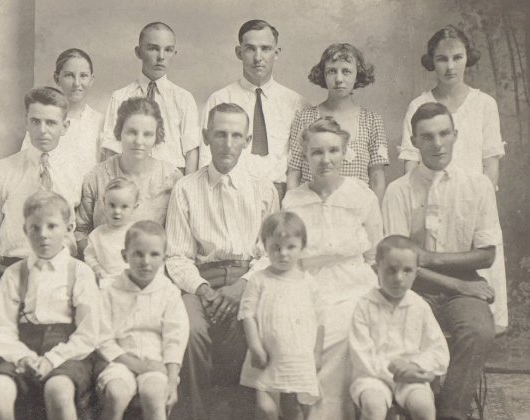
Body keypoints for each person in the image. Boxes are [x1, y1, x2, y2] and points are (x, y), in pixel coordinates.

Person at [382, 102, 499, 420]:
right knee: (402, 328)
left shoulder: (477, 184)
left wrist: (427, 258)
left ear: (455, 135)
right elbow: (398, 264)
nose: (437, 143)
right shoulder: (399, 191)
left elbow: (485, 254)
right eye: (427, 136)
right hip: (412, 287)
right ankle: (407, 415)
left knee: (477, 329)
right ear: (414, 142)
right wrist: (450, 277)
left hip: (464, 289)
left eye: (444, 133)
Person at [166, 103, 279, 420]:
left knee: (245, 333)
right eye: (220, 134)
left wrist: (243, 285)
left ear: (247, 140)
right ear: (206, 137)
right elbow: (177, 255)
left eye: (236, 135)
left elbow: (270, 251)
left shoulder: (262, 190)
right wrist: (201, 289)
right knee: (192, 331)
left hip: (249, 278)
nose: (227, 143)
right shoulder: (186, 188)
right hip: (201, 280)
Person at [0, 191, 100, 420]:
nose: (43, 235)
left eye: (52, 227)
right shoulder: (14, 274)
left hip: (68, 351)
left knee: (58, 388)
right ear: (25, 230)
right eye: (35, 228)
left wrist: (52, 359)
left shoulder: (80, 273)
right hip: (24, 348)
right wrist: (22, 357)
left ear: (69, 229)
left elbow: (88, 332)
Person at [399, 25, 507, 329]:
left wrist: (479, 202)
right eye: (442, 59)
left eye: (457, 58)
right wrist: (418, 207)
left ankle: (478, 325)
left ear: (467, 59)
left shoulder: (484, 104)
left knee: (476, 272)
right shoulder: (418, 105)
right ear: (432, 61)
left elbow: (491, 161)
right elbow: (410, 163)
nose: (450, 66)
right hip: (427, 200)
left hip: (471, 204)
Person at [0, 86, 82, 373]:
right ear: (27, 122)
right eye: (36, 121)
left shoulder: (79, 172)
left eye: (51, 122)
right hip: (13, 267)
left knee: (76, 331)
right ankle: (5, 393)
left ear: (65, 126)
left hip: (63, 270)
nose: (43, 130)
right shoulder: (2, 171)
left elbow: (84, 227)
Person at [283, 117, 382, 420]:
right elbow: (287, 254)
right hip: (308, 284)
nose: (325, 160)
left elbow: (374, 252)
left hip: (354, 283)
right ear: (306, 156)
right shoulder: (293, 199)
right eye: (317, 153)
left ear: (345, 152)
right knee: (302, 332)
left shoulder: (361, 194)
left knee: (350, 330)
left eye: (333, 151)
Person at [93, 221, 189, 420]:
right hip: (119, 361)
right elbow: (102, 337)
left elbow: (175, 338)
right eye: (138, 254)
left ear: (164, 257)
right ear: (125, 256)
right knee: (116, 393)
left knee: (154, 394)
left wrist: (171, 378)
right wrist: (133, 364)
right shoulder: (110, 290)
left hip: (156, 362)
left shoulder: (168, 291)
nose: (146, 261)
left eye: (154, 254)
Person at [349, 235, 449, 420]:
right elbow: (362, 353)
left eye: (407, 271)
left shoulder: (419, 306)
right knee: (373, 406)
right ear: (377, 269)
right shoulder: (365, 305)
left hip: (410, 375)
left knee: (425, 408)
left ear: (416, 273)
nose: (398, 278)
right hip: (373, 376)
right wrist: (393, 369)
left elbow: (438, 350)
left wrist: (416, 366)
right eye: (391, 270)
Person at [240, 212, 325, 420]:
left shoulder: (308, 282)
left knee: (294, 406)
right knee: (265, 407)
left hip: (297, 355)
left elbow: (320, 321)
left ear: (302, 247)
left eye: (291, 247)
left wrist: (317, 353)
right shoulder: (258, 280)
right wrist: (255, 346)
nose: (283, 254)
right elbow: (247, 314)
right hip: (265, 353)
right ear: (265, 246)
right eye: (276, 247)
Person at [199, 19, 309, 201]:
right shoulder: (220, 99)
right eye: (250, 49)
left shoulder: (296, 103)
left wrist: (293, 200)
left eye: (265, 49)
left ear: (277, 53)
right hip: (230, 191)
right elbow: (205, 156)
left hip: (281, 193)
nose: (258, 58)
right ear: (239, 52)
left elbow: (304, 161)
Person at [76, 97, 182, 255]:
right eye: (132, 132)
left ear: (156, 137)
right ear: (120, 132)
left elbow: (178, 239)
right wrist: (101, 262)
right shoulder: (96, 177)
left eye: (147, 134)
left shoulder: (172, 178)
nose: (139, 141)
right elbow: (80, 232)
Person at [287, 43, 389, 202]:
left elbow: (377, 178)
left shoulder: (372, 120)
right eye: (332, 71)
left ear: (358, 74)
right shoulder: (305, 118)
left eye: (346, 71)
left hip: (356, 210)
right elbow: (294, 173)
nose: (339, 79)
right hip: (312, 208)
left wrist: (373, 218)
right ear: (324, 75)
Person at [101, 22, 200, 174]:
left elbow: (191, 152)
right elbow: (111, 150)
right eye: (153, 48)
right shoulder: (120, 97)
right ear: (139, 52)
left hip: (171, 183)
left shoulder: (184, 98)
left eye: (168, 50)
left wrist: (185, 191)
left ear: (174, 53)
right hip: (129, 182)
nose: (161, 57)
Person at [21, 48, 103, 177]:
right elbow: (27, 167)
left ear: (91, 79)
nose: (77, 83)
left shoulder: (100, 123)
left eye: (83, 76)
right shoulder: (41, 121)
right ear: (57, 78)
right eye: (69, 75)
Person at [83, 177, 139, 288]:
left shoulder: (138, 233)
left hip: (133, 283)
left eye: (124, 207)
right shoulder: (97, 235)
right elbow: (89, 255)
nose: (117, 211)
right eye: (112, 205)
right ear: (104, 203)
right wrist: (96, 268)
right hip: (106, 283)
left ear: (134, 207)